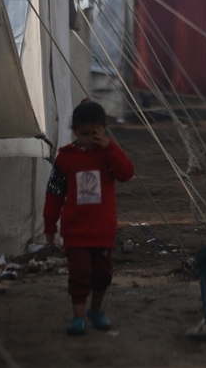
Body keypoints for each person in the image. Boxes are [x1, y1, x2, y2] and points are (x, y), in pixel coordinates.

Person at [44, 100, 135, 336]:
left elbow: (126, 174)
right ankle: (78, 316)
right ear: (74, 131)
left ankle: (96, 309)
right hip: (76, 230)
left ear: (104, 129)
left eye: (94, 133)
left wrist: (110, 147)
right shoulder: (66, 158)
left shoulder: (109, 155)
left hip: (102, 229)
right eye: (83, 134)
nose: (88, 139)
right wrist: (49, 224)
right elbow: (54, 193)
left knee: (102, 274)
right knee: (80, 273)